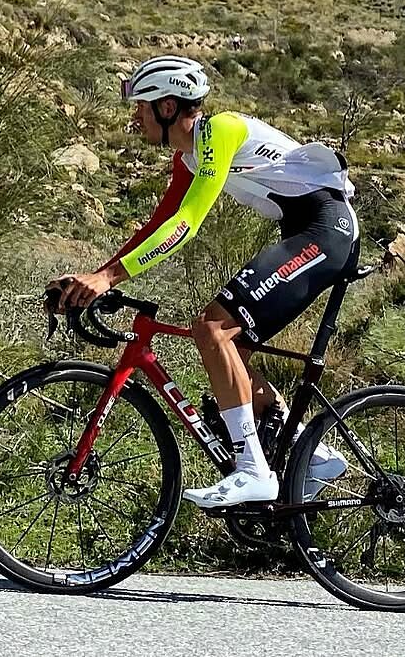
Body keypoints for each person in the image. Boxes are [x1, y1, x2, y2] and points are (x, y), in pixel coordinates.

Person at [51, 55, 355, 507]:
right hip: (305, 231)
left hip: (326, 230)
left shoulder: (220, 131)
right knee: (230, 360)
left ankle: (255, 471)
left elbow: (188, 222)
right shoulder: (188, 157)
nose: (134, 116)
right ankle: (315, 457)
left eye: (141, 105)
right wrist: (98, 278)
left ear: (168, 107)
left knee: (212, 328)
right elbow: (160, 223)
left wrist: (109, 276)